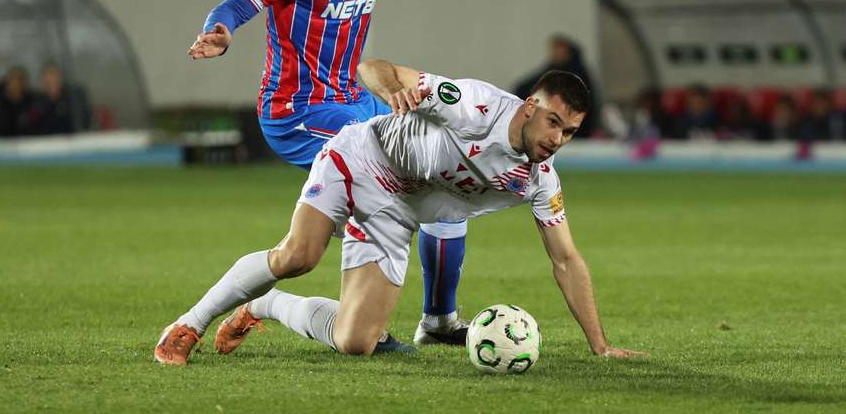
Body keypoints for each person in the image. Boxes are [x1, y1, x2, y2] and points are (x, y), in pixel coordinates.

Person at [186, 0, 502, 348]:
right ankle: (321, 317)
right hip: (298, 112)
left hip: (355, 102)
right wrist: (219, 29)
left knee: (447, 184)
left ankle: (438, 321)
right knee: (385, 197)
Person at [155, 59, 647, 364]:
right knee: (298, 256)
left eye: (569, 132)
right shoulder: (472, 105)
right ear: (528, 107)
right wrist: (391, 88)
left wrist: (600, 345)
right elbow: (376, 67)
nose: (557, 139)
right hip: (360, 159)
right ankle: (186, 326)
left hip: (396, 214)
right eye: (553, 123)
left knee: (355, 342)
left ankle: (264, 305)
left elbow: (566, 260)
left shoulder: (540, 180)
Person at [512, 35, 599, 138]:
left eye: (559, 50)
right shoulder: (551, 69)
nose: (555, 53)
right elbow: (527, 86)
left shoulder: (579, 74)